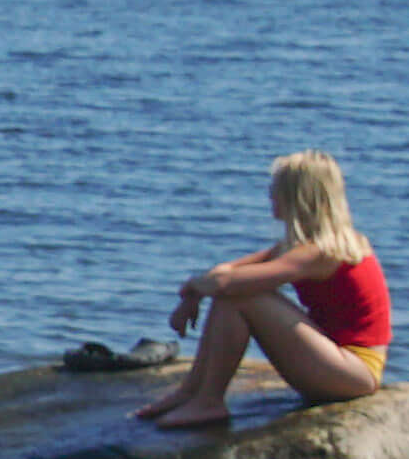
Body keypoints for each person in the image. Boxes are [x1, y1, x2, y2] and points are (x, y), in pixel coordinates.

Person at [130, 149, 390, 427]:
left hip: (354, 372)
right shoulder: (302, 247)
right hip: (335, 364)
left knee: (242, 297)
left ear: (296, 197)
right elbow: (227, 272)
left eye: (275, 189)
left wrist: (194, 288)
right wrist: (191, 295)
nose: (269, 196)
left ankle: (208, 401)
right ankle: (191, 392)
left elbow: (226, 282)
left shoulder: (324, 252)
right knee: (236, 293)